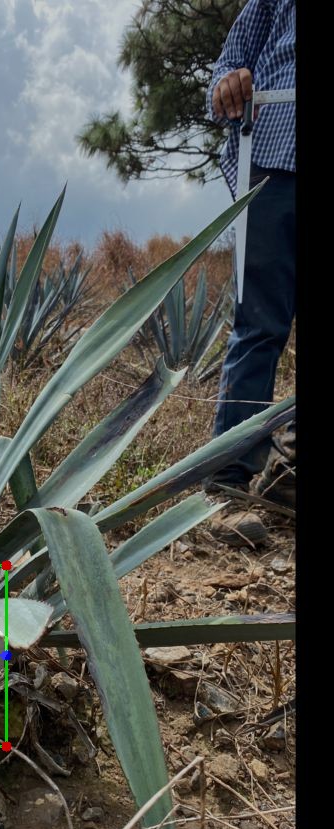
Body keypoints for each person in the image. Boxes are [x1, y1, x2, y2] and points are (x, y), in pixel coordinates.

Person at [204, 0, 295, 547]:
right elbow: (226, 70)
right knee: (258, 323)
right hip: (272, 166)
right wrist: (228, 86)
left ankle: (289, 475)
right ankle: (228, 487)